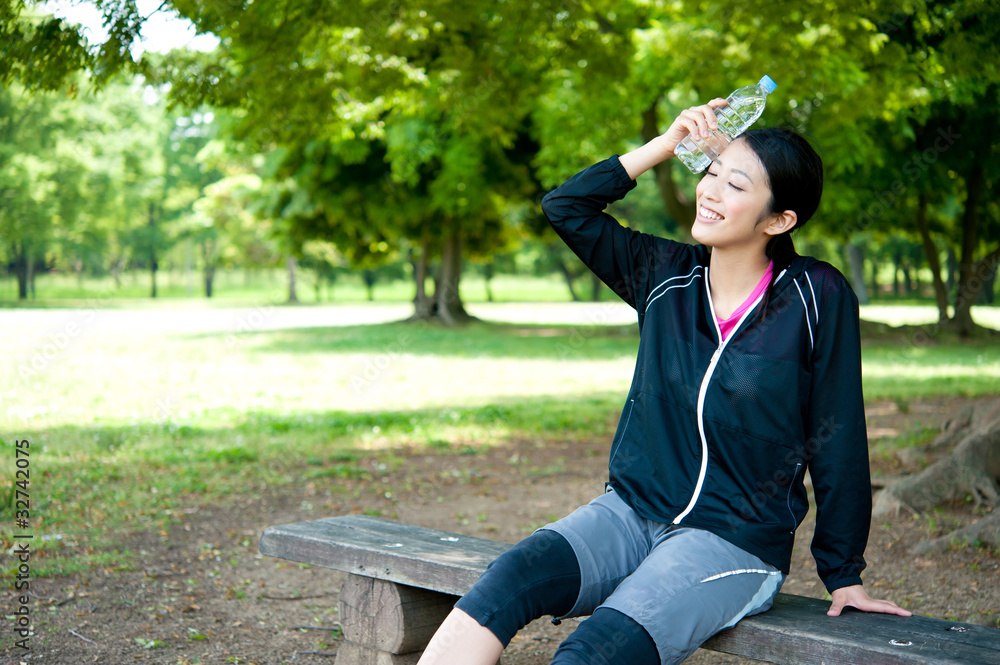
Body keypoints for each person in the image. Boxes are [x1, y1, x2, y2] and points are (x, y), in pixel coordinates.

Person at [416, 98, 911, 665]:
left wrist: (843, 572)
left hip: (733, 541)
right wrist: (663, 146)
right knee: (507, 581)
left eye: (736, 184)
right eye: (711, 172)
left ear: (779, 220)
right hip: (630, 512)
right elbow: (566, 206)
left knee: (593, 653)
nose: (710, 190)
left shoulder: (816, 296)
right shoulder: (664, 274)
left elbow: (839, 432)